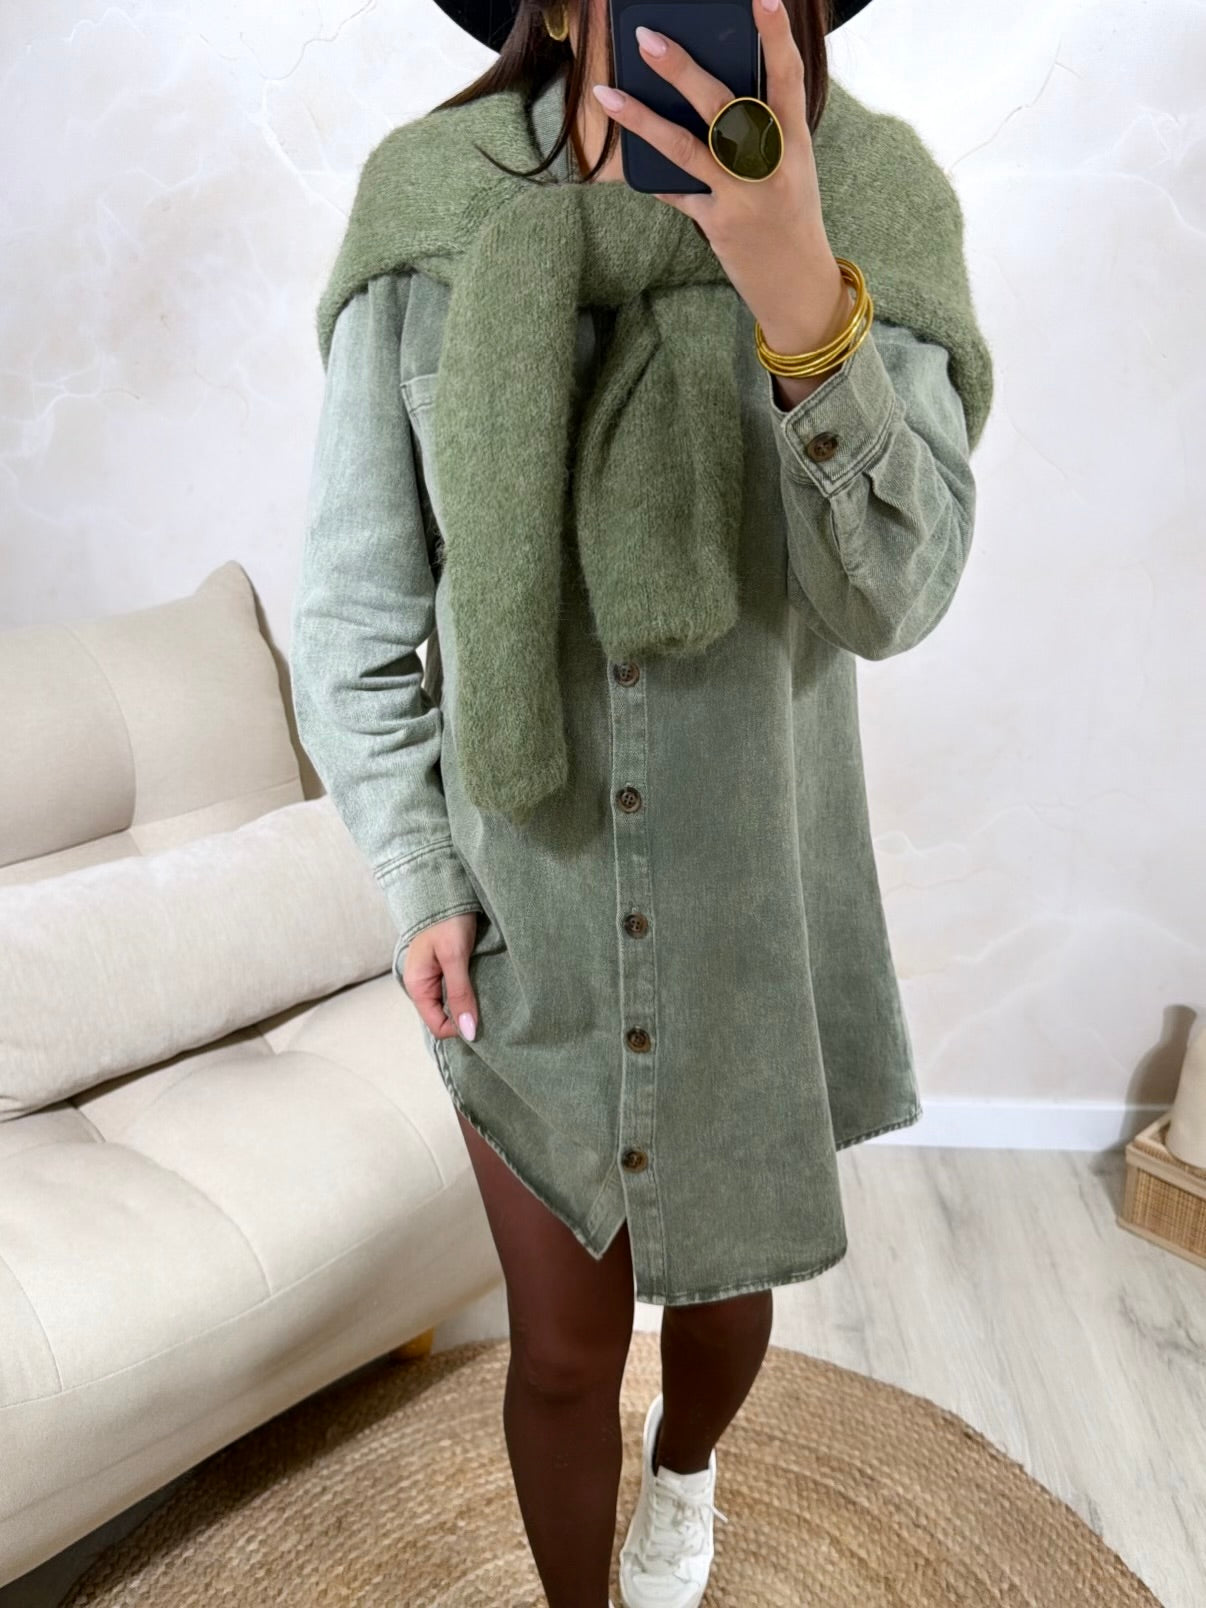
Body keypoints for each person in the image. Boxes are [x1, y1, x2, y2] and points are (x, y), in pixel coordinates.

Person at [289, 0, 993, 1602]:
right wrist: (416, 871)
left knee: (723, 1297)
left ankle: (685, 1476)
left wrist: (796, 288)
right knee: (555, 1353)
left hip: (754, 902)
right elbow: (354, 605)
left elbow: (897, 596)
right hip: (521, 904)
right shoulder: (428, 208)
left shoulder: (873, 200)